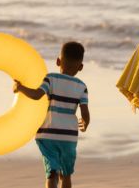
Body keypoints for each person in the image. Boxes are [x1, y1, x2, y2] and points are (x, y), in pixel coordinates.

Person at [13, 42, 90, 188]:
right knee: (66, 174)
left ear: (58, 61)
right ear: (80, 67)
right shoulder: (82, 86)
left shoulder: (51, 78)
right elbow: (85, 112)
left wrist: (20, 87)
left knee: (52, 173)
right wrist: (85, 123)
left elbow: (36, 95)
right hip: (69, 137)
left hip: (48, 135)